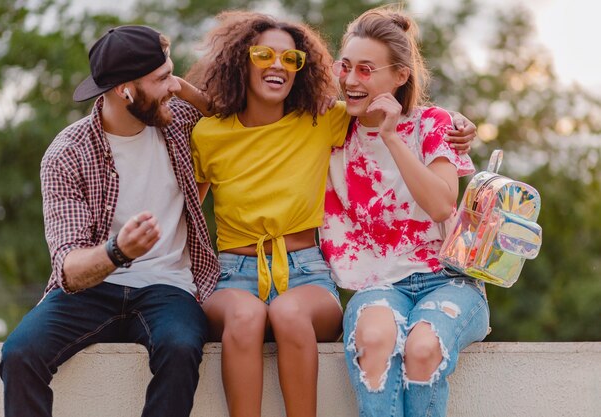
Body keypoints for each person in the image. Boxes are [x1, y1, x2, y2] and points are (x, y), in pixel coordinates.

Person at [185, 10, 476, 417]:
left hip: (308, 272)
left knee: (288, 313)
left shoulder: (324, 120)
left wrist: (458, 124)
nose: (278, 66)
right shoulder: (213, 133)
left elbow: (400, 117)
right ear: (241, 61)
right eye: (264, 54)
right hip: (237, 272)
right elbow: (189, 214)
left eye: (291, 60)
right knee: (247, 316)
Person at [0, 25, 219, 417]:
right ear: (125, 90)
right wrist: (118, 251)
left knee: (181, 347)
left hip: (168, 287)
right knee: (19, 353)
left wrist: (182, 88)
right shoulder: (67, 153)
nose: (173, 86)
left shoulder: (180, 120)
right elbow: (68, 269)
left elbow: (229, 112)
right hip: (93, 290)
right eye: (163, 78)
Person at [319, 6, 490, 417]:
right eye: (346, 68)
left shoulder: (434, 124)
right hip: (377, 284)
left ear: (400, 75)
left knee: (423, 347)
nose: (351, 81)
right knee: (374, 342)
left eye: (366, 70)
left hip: (447, 279)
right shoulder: (329, 127)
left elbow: (440, 204)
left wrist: (391, 135)